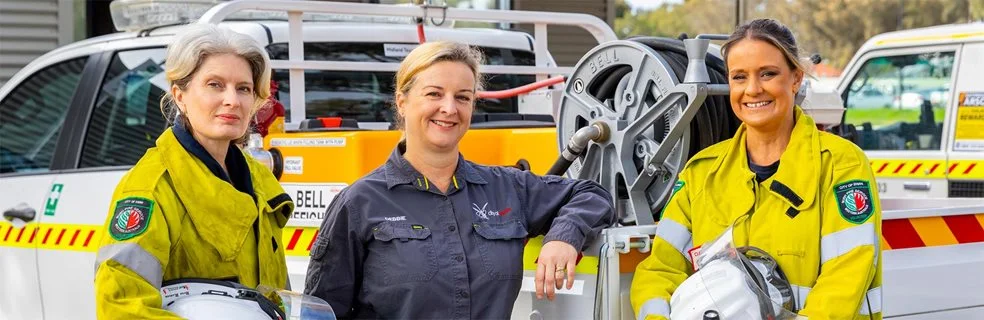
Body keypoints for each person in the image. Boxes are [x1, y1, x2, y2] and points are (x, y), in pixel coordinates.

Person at [303, 41, 615, 319]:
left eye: (462, 97)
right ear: (402, 102)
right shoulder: (359, 203)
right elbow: (321, 312)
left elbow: (592, 194)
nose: (449, 108)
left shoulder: (505, 188)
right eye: (434, 94)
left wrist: (563, 236)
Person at [630, 19, 882, 320]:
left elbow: (846, 275)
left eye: (768, 74)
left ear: (796, 79)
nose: (752, 89)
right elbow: (659, 271)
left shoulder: (841, 164)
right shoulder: (700, 173)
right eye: (739, 77)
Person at [93, 24, 294, 319]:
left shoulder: (259, 180)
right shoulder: (151, 187)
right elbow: (121, 307)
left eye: (244, 88)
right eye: (215, 84)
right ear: (180, 96)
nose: (232, 100)